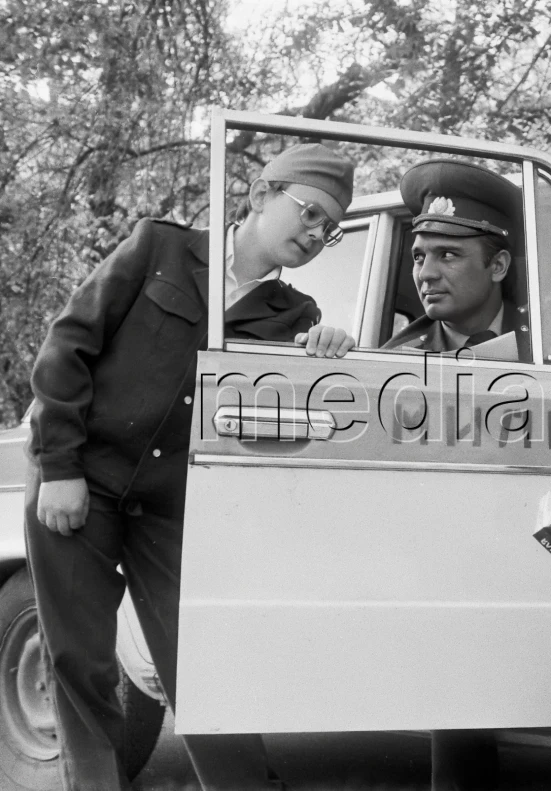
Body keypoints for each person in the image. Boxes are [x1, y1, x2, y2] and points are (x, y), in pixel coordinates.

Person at [26, 142, 358, 790]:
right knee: (80, 663)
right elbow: (68, 344)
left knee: (206, 668)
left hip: (172, 509)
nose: (317, 234)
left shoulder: (295, 315)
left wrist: (327, 350)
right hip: (82, 481)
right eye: (310, 213)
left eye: (330, 228)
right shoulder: (161, 248)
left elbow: (284, 415)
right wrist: (59, 466)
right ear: (261, 194)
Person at [382, 159, 524, 359]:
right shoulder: (394, 360)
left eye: (447, 255)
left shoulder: (548, 338)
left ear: (498, 266)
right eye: (419, 257)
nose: (425, 274)